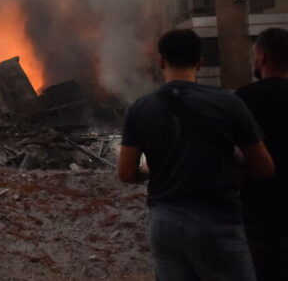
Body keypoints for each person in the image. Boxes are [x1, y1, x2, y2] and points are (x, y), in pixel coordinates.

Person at [118, 29, 274, 281]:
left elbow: (126, 173)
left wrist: (148, 170)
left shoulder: (141, 108)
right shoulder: (228, 102)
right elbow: (264, 167)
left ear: (161, 61)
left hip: (164, 222)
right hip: (217, 219)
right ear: (200, 62)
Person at [236, 27, 288, 280]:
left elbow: (232, 154)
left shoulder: (245, 98)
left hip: (260, 214)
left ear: (263, 57)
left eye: (255, 55)